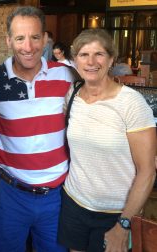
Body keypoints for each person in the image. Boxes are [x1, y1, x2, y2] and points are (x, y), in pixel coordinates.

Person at [0, 6, 73, 252]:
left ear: (45, 38)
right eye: (19, 38)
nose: (28, 46)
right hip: (10, 195)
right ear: (8, 41)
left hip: (58, 196)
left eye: (35, 37)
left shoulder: (67, 75)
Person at [58, 28, 156, 252]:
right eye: (83, 55)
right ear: (75, 60)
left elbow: (147, 171)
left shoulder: (131, 103)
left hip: (116, 213)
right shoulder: (72, 95)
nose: (91, 61)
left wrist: (124, 223)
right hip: (74, 203)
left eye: (99, 54)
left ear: (111, 59)